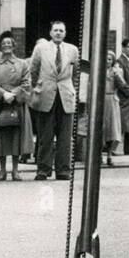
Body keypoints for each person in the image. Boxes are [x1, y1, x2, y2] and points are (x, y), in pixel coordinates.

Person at [28, 20, 80, 181]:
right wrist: (40, 87)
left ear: (65, 33)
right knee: (45, 135)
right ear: (50, 33)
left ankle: (63, 170)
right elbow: (33, 70)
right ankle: (43, 170)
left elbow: (76, 73)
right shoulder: (41, 48)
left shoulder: (72, 50)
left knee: (65, 137)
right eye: (56, 30)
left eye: (61, 31)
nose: (58, 33)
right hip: (45, 95)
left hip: (65, 96)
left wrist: (72, 89)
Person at [0, 31, 34, 181]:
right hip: (0, 105)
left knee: (16, 137)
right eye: (3, 43)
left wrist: (13, 94)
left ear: (13, 46)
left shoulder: (22, 64)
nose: (6, 45)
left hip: (16, 104)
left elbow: (27, 83)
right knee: (1, 137)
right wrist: (2, 94)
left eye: (9, 43)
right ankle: (2, 171)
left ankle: (15, 170)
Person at [102, 50, 123, 167]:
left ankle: (109, 155)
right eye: (105, 58)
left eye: (110, 59)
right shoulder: (97, 70)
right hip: (100, 100)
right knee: (101, 129)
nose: (107, 61)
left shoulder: (117, 71)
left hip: (111, 100)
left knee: (112, 129)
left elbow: (123, 86)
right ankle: (98, 156)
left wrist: (117, 75)